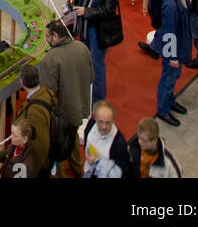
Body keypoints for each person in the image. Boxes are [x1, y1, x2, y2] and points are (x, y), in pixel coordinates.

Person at [38, 20, 94, 176]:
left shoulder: (50, 59)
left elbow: (47, 94)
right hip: (79, 109)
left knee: (57, 150)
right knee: (73, 136)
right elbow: (91, 77)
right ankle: (78, 169)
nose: (46, 39)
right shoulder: (82, 47)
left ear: (55, 36)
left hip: (59, 117)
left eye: (48, 36)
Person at [72, 0, 122, 103]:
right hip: (85, 28)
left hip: (98, 31)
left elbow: (107, 12)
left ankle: (98, 98)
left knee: (97, 65)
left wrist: (86, 11)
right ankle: (84, 87)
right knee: (84, 58)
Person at [153, 0, 192, 127]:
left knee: (174, 77)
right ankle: (163, 110)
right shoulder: (170, 6)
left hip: (180, 42)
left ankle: (170, 100)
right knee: (168, 78)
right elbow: (169, 33)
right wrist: (172, 56)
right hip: (173, 48)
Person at [18, 63, 56, 177]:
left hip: (41, 164)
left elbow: (40, 144)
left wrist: (37, 169)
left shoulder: (33, 111)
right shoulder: (48, 93)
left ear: (22, 82)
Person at [82, 100, 130, 178]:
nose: (104, 127)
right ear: (95, 119)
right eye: (100, 122)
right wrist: (87, 155)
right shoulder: (90, 125)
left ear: (113, 121)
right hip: (89, 171)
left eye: (108, 122)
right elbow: (87, 142)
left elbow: (123, 170)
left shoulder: (118, 143)